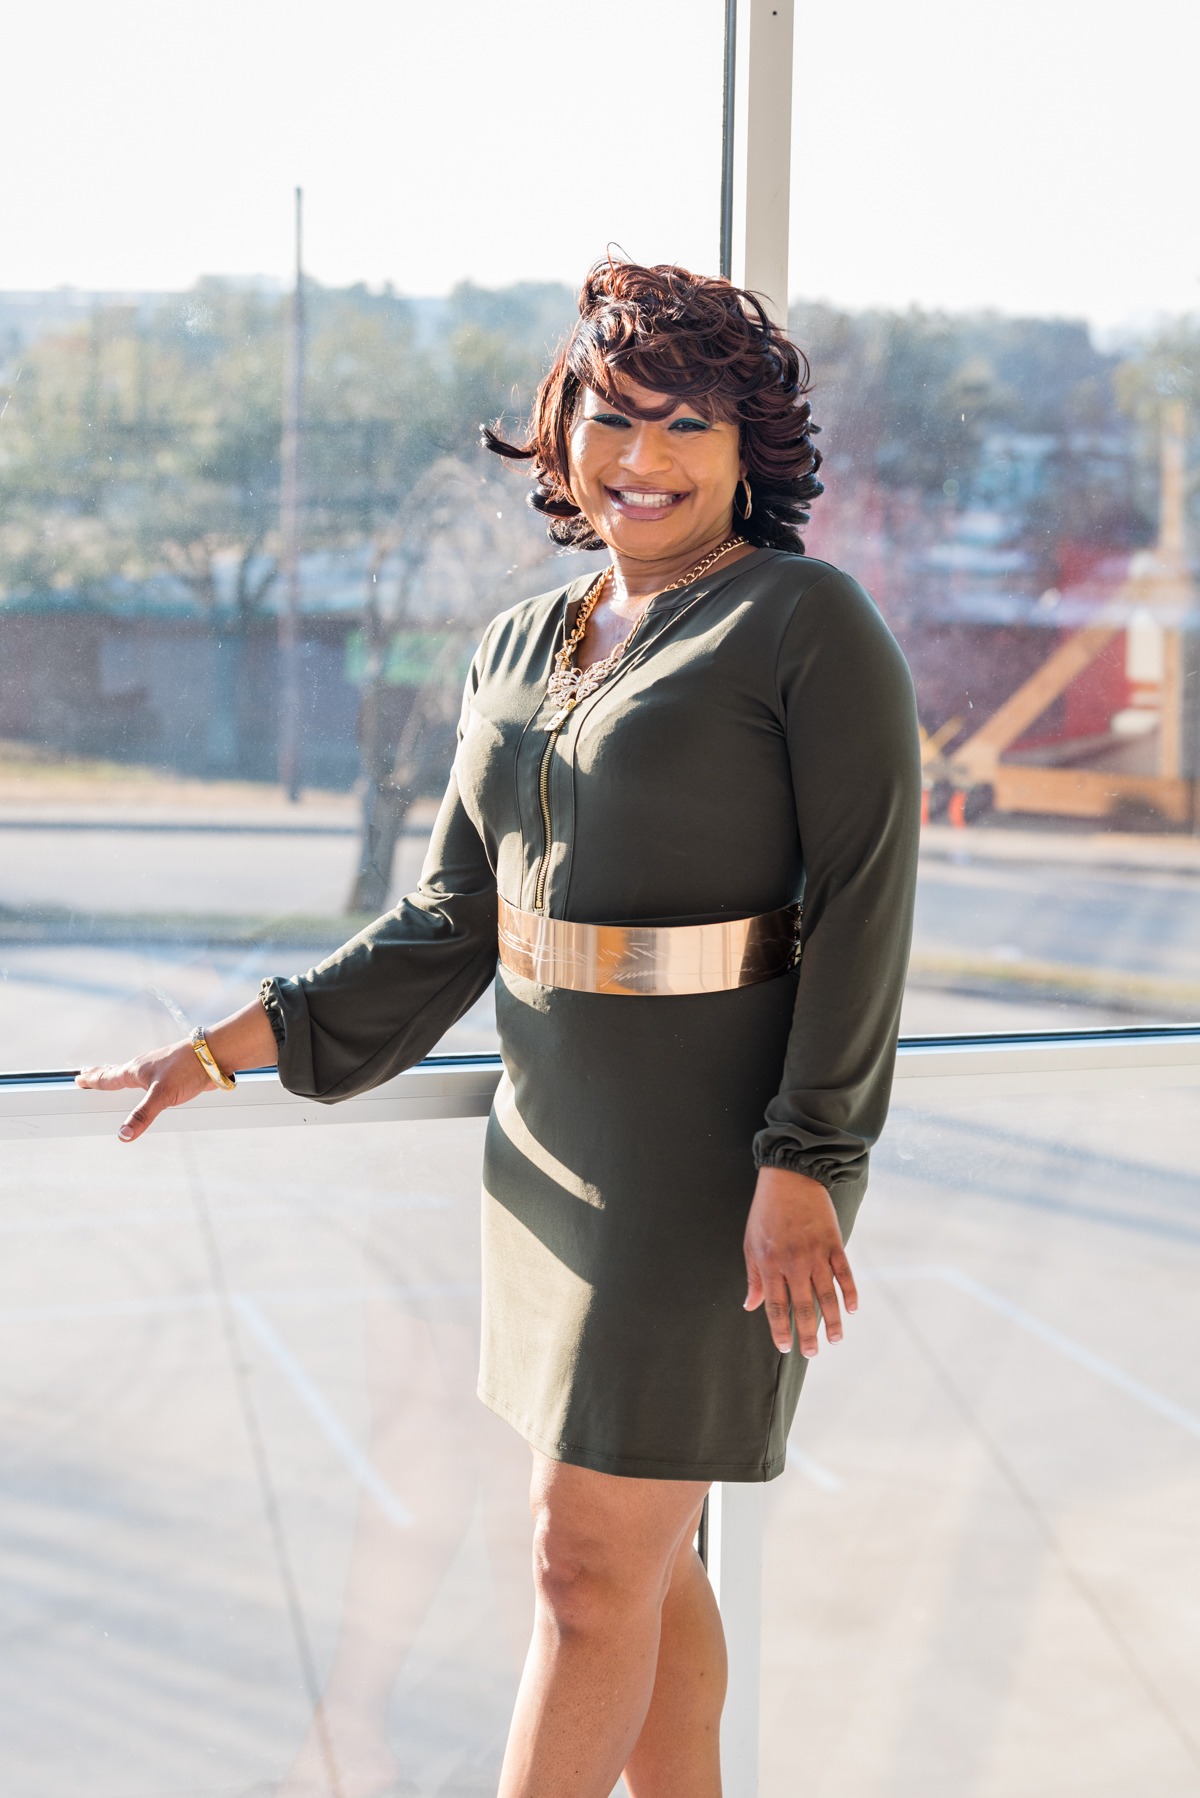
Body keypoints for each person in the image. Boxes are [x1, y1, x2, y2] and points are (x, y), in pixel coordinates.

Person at [78, 257, 921, 1798]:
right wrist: (224, 1045)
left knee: (583, 1571)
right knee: (647, 1571)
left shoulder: (810, 625)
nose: (642, 459)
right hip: (550, 1163)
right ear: (565, 425)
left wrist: (810, 1159)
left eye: (687, 426)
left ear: (752, 452)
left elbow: (868, 905)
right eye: (614, 416)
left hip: (709, 1178)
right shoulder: (523, 642)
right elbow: (452, 923)